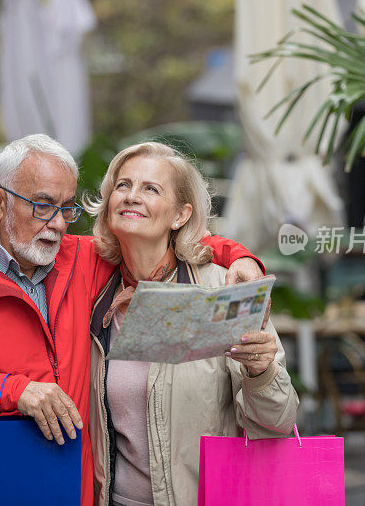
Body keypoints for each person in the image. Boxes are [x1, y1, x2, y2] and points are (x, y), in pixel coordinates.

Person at [0, 134, 265, 506]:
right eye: (43, 205)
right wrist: (11, 391)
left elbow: (155, 235)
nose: (60, 224)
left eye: (67, 208)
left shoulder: (78, 259)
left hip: (72, 492)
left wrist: (238, 255)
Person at [84, 142, 299, 506]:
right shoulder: (90, 290)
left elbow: (277, 423)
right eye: (123, 185)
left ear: (181, 215)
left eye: (151, 189)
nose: (132, 197)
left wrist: (261, 371)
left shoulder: (223, 288)